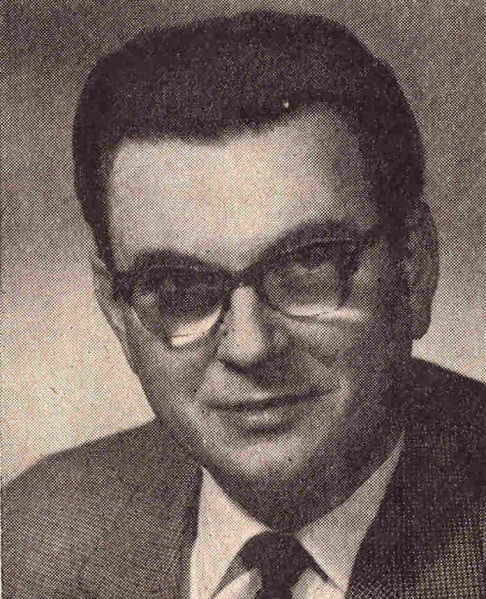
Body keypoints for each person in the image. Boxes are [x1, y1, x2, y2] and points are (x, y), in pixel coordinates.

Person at [3, 10, 484, 599]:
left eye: (307, 266)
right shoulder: (31, 539)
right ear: (117, 313)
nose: (250, 347)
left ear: (414, 268)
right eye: (179, 289)